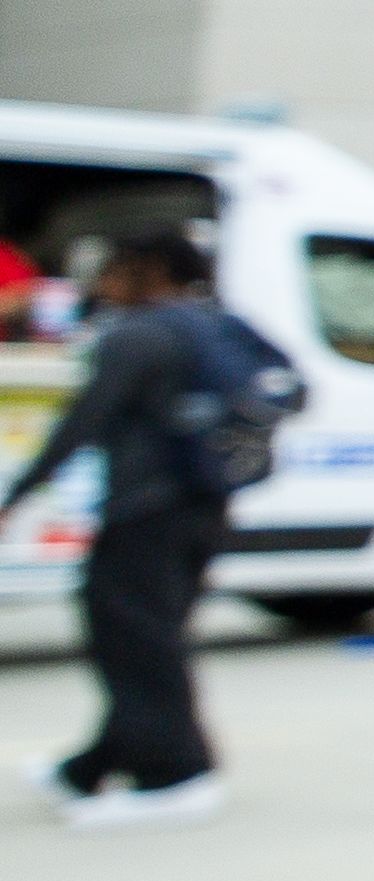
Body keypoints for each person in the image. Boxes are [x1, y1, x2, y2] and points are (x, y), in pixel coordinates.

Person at [6, 233, 297, 829]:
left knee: (135, 644)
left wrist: (17, 495)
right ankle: (86, 771)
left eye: (110, 268)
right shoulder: (207, 326)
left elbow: (85, 421)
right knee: (149, 639)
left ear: (145, 269)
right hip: (202, 508)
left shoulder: (136, 336)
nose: (100, 283)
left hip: (144, 512)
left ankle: (178, 777)